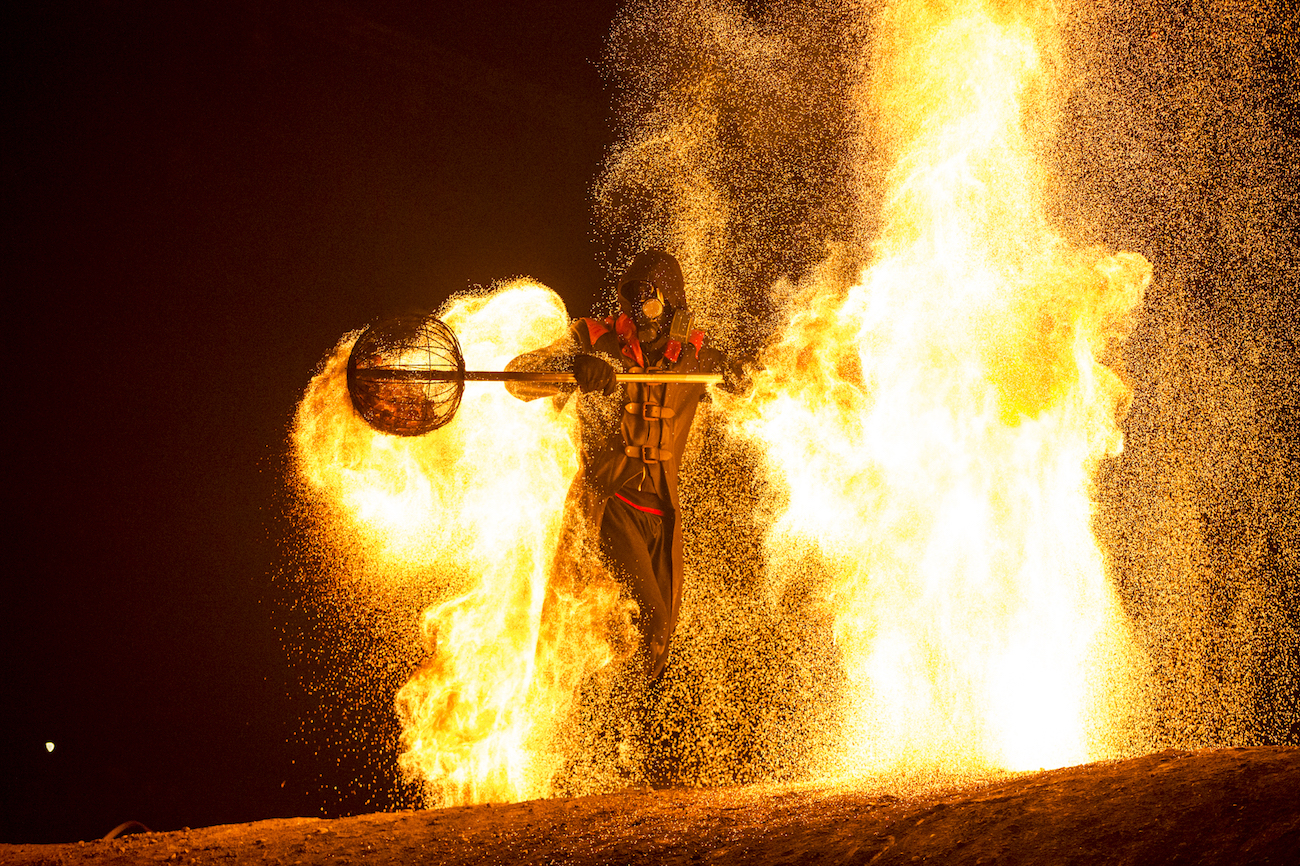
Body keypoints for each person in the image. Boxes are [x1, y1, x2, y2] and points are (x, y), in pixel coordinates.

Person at [505, 250, 743, 681]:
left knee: (659, 639)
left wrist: (749, 380)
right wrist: (570, 365)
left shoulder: (700, 360)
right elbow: (517, 378)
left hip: (663, 515)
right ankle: (598, 707)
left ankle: (624, 727)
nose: (641, 316)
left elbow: (759, 393)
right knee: (648, 618)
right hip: (608, 503)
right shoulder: (593, 341)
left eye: (650, 304)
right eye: (632, 304)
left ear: (674, 307)